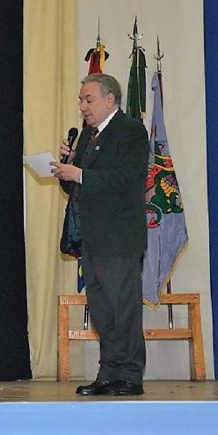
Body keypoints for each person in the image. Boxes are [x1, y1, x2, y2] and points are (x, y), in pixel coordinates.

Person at [50, 73, 149, 396]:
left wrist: (79, 172)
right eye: (80, 100)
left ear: (110, 100)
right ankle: (109, 372)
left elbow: (126, 179)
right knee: (102, 308)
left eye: (88, 99)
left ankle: (131, 376)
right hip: (91, 238)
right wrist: (66, 165)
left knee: (123, 308)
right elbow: (74, 186)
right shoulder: (88, 138)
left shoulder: (131, 131)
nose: (82, 106)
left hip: (119, 238)